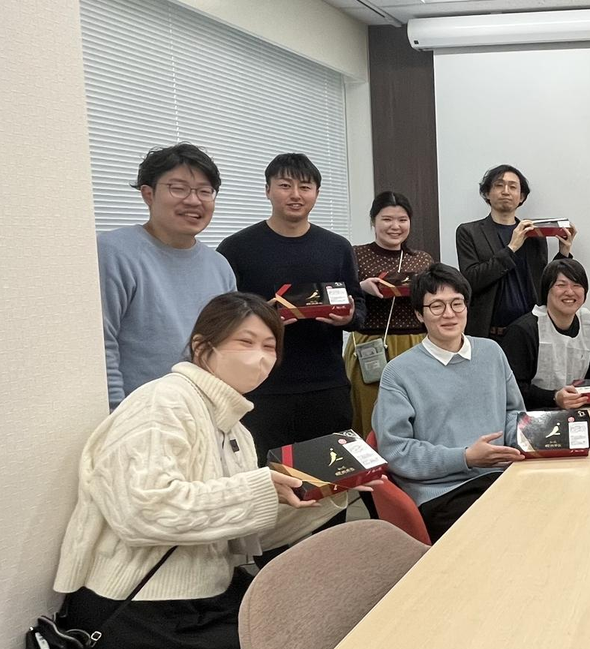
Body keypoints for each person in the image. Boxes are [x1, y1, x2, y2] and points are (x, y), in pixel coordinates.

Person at [52, 293, 379, 649]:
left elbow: (242, 537)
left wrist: (323, 493)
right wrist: (259, 488)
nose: (260, 358)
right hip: (140, 607)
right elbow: (142, 510)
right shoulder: (162, 402)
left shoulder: (236, 429)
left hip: (206, 598)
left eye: (269, 347)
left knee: (322, 626)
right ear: (202, 346)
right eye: (245, 342)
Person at [217, 153, 365, 468]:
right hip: (259, 387)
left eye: (305, 187)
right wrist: (259, 319)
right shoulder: (236, 248)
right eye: (285, 185)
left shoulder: (337, 247)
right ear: (267, 190)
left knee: (329, 477)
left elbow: (359, 310)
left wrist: (348, 316)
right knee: (266, 479)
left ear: (317, 193)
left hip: (325, 384)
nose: (295, 195)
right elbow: (220, 320)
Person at [373, 264, 527, 541]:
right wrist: (465, 457)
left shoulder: (491, 352)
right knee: (504, 535)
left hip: (502, 475)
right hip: (443, 492)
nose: (449, 314)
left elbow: (514, 413)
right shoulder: (399, 372)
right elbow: (396, 451)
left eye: (457, 303)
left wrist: (523, 444)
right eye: (436, 306)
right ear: (419, 314)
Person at [97, 143, 236, 410]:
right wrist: (117, 417)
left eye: (204, 191)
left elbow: (226, 349)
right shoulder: (113, 252)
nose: (193, 200)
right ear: (148, 194)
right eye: (178, 188)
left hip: (203, 414)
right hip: (141, 417)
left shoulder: (220, 266)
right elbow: (101, 345)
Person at [344, 191, 434, 438]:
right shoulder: (355, 254)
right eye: (387, 219)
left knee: (417, 411)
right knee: (369, 411)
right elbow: (338, 293)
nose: (395, 226)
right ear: (373, 221)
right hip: (369, 345)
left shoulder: (422, 259)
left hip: (416, 342)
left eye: (402, 220)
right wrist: (361, 287)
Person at [456, 164, 577, 341]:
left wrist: (563, 253)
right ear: (487, 193)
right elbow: (471, 281)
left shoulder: (534, 235)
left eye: (513, 187)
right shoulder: (469, 232)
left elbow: (544, 285)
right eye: (499, 185)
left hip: (530, 332)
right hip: (488, 333)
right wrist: (511, 248)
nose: (506, 191)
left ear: (521, 197)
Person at [500, 258, 590, 410]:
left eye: (577, 285)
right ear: (546, 290)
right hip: (533, 416)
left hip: (579, 411)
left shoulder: (587, 323)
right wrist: (554, 398)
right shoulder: (523, 330)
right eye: (561, 285)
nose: (570, 292)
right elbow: (511, 388)